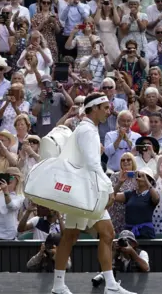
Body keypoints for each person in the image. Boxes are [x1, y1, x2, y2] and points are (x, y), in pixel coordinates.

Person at [51, 92, 135, 294]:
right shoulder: (88, 131)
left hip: (82, 191)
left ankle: (60, 285)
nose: (109, 111)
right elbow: (92, 164)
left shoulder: (86, 128)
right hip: (86, 193)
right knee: (102, 234)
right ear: (95, 108)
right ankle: (107, 286)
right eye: (105, 108)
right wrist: (107, 188)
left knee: (76, 235)